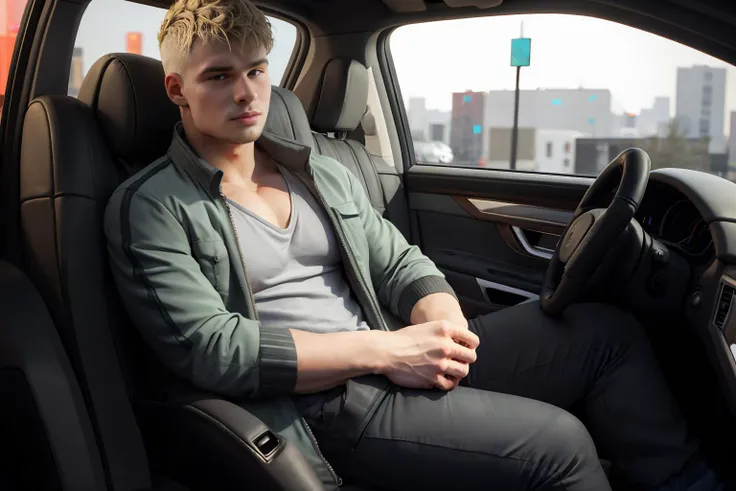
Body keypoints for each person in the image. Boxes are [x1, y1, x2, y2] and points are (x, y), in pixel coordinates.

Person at [103, 0, 725, 489]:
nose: (246, 93)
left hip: (390, 347)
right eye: (219, 76)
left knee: (604, 336)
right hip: (323, 404)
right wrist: (384, 351)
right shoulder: (150, 207)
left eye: (256, 70)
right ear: (176, 90)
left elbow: (398, 259)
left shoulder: (316, 169)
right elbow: (214, 350)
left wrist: (441, 318)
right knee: (560, 447)